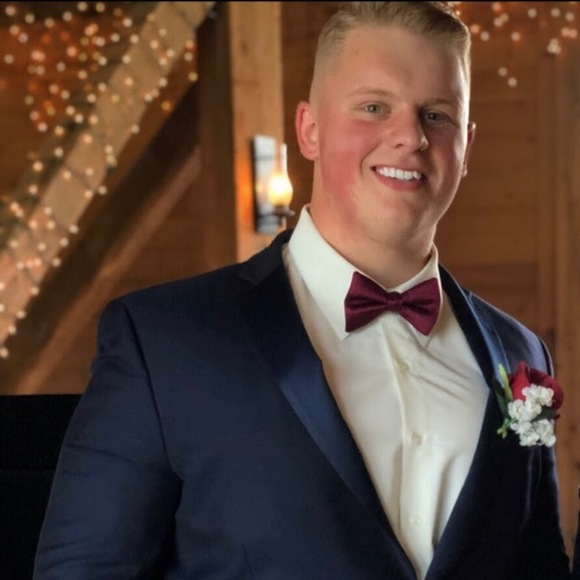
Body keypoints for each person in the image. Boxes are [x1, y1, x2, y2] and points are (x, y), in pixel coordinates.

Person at [34, 2, 571, 579]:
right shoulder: (165, 342)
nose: (410, 136)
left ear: (466, 147)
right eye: (374, 107)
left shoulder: (521, 356)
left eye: (436, 115)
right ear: (310, 130)